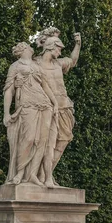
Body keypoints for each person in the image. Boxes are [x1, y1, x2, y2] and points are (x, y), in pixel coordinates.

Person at [3, 42, 58, 187]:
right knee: (28, 138)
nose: (31, 46)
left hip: (45, 105)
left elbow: (45, 86)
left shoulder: (36, 65)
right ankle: (20, 173)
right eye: (28, 45)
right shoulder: (15, 66)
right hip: (27, 105)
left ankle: (33, 174)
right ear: (23, 50)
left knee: (42, 141)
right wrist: (6, 113)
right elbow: (9, 90)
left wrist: (55, 103)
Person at [35, 27, 81, 185]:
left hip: (64, 107)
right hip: (46, 109)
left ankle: (45, 174)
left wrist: (78, 44)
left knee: (64, 140)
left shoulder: (58, 64)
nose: (60, 53)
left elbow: (73, 61)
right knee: (46, 143)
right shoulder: (35, 64)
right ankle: (41, 176)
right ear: (50, 46)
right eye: (59, 49)